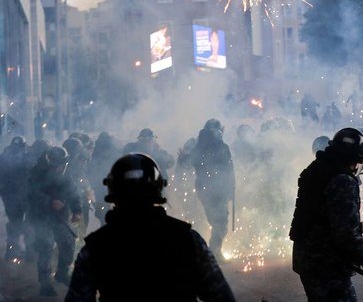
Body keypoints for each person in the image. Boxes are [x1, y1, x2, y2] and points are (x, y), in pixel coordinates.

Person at [64, 153, 237, 302]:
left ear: (112, 192)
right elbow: (220, 296)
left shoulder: (96, 246)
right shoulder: (187, 239)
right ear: (158, 189)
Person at [289, 127, 363, 301]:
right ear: (358, 156)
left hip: (307, 258)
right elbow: (346, 233)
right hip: (327, 263)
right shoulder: (342, 180)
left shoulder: (318, 168)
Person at [26, 146, 83, 297]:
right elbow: (31, 194)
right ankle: (45, 283)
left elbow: (73, 192)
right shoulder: (36, 174)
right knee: (46, 247)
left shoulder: (66, 174)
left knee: (68, 244)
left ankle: (62, 273)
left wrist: (77, 210)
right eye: (56, 165)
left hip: (60, 217)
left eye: (62, 165)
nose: (60, 168)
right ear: (49, 163)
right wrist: (50, 202)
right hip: (41, 216)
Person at [182, 119, 235, 263]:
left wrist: (230, 189)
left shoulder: (204, 146)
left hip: (215, 188)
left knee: (218, 222)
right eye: (218, 131)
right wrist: (183, 157)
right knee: (219, 222)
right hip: (211, 189)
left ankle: (215, 251)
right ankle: (213, 253)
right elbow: (187, 164)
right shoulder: (207, 147)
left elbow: (229, 170)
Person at [0, 136, 30, 260]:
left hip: (9, 195)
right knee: (21, 222)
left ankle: (12, 250)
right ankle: (18, 251)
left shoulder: (4, 156)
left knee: (14, 222)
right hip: (17, 194)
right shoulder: (23, 156)